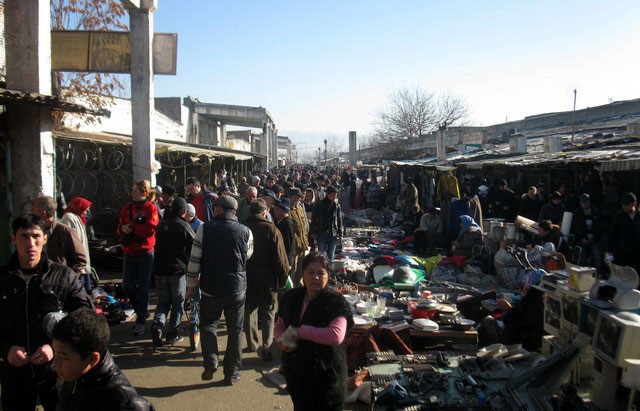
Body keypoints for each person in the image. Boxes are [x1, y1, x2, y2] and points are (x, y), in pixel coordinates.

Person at [0, 214, 93, 411]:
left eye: (35, 236)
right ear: (13, 239)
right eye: (24, 236)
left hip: (55, 370)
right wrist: (6, 348)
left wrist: (55, 346)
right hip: (14, 373)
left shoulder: (63, 276)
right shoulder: (3, 279)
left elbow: (85, 316)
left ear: (45, 238)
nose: (30, 244)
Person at [186, 195, 253, 385]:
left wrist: (191, 285)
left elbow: (194, 260)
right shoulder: (246, 231)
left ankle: (211, 360)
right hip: (237, 290)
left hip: (211, 288)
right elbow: (248, 254)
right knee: (235, 331)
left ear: (218, 209)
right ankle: (231, 374)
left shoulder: (204, 229)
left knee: (208, 325)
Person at [275, 252, 354, 411]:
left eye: (321, 273)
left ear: (328, 275)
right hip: (298, 377)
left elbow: (336, 336)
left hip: (327, 380)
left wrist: (300, 331)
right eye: (311, 272)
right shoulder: (292, 298)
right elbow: (279, 326)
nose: (315, 277)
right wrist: (281, 341)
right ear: (302, 274)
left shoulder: (335, 302)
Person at [52, 309, 155, 411]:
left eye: (63, 357)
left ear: (92, 359)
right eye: (54, 352)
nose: (54, 365)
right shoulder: (76, 376)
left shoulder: (125, 405)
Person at [243, 199, 289, 361]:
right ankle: (267, 346)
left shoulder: (242, 228)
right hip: (268, 280)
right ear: (264, 213)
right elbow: (280, 259)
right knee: (269, 312)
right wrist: (283, 279)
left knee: (250, 311)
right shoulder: (272, 230)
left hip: (247, 278)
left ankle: (252, 344)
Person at [117, 180, 160, 336]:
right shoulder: (126, 208)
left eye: (136, 191)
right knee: (127, 286)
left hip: (145, 253)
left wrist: (134, 228)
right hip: (129, 252)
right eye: (132, 190)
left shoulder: (151, 209)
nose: (132, 193)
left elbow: (151, 229)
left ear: (144, 193)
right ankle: (141, 310)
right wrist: (123, 229)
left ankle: (140, 320)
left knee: (143, 287)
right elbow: (119, 227)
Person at [152, 198, 195, 347]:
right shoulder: (184, 226)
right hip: (177, 271)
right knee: (178, 304)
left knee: (163, 302)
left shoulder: (161, 226)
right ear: (184, 211)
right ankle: (172, 334)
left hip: (160, 270)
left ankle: (157, 326)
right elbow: (194, 248)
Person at [32, 195, 89, 278]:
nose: (32, 211)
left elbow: (81, 260)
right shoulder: (36, 231)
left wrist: (67, 278)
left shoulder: (65, 231)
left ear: (43, 213)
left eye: (34, 208)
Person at [60, 197, 93, 292]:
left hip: (81, 259)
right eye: (85, 209)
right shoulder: (69, 217)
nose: (86, 212)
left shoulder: (77, 217)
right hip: (76, 260)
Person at [607, 192, 640, 274]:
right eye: (623, 204)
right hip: (622, 257)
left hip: (637, 258)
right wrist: (610, 252)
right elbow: (612, 235)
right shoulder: (618, 217)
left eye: (627, 204)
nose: (624, 206)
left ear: (634, 204)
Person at [310, 185, 343, 263]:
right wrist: (313, 232)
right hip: (321, 233)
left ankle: (329, 274)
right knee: (322, 256)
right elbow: (314, 219)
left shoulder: (336, 206)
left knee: (331, 256)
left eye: (336, 195)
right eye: (333, 195)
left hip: (333, 233)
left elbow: (339, 219)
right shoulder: (319, 204)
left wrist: (341, 234)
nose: (335, 197)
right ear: (328, 194)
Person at [571, 193, 604, 270]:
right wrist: (582, 238)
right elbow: (575, 228)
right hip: (582, 241)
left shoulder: (596, 212)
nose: (584, 204)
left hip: (594, 241)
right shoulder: (577, 213)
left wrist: (596, 238)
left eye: (586, 202)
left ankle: (597, 275)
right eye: (582, 202)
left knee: (597, 259)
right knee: (581, 259)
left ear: (589, 202)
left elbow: (599, 227)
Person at [288, 187, 310, 286]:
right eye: (298, 197)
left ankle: (299, 289)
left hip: (303, 245)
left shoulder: (299, 208)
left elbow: (303, 226)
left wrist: (305, 240)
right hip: (294, 247)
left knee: (301, 271)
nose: (299, 199)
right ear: (292, 197)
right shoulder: (288, 210)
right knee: (293, 270)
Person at [274, 197, 295, 269]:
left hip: (284, 260)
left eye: (277, 209)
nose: (275, 212)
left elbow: (288, 245)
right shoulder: (280, 221)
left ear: (284, 211)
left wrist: (287, 262)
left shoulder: (287, 224)